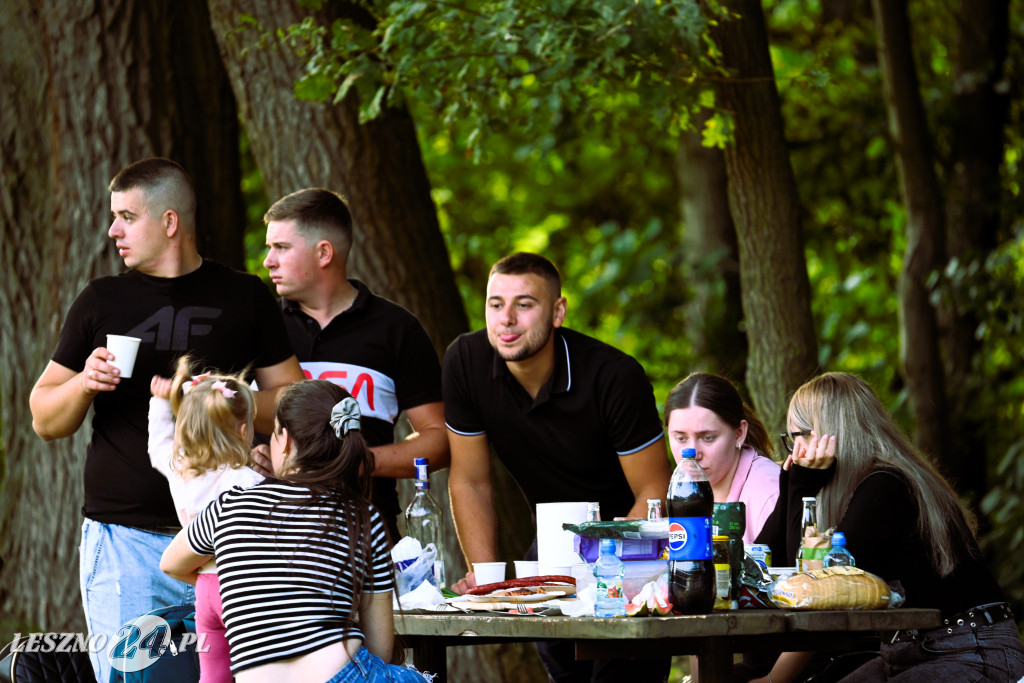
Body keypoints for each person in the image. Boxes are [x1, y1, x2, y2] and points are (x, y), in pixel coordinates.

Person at [28, 157, 304, 682]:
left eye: (127, 217)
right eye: (114, 217)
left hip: (234, 538)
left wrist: (225, 397)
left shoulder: (245, 296)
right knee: (131, 677)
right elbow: (44, 418)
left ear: (170, 222)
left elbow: (292, 397)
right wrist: (84, 383)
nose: (113, 230)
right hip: (125, 540)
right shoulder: (101, 300)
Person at [443, 252, 673, 683]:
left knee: (620, 674)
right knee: (565, 670)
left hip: (633, 542)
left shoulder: (614, 376)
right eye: (496, 304)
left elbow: (655, 491)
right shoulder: (466, 361)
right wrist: (488, 578)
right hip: (553, 540)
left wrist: (607, 571)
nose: (506, 319)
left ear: (558, 312)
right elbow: (470, 481)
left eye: (524, 304)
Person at [750, 372, 1024, 683]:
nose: (794, 452)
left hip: (971, 650)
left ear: (829, 435)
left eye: (797, 437)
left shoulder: (888, 485)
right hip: (909, 651)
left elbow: (812, 588)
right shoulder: (859, 487)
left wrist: (802, 486)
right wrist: (791, 489)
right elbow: (769, 565)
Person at [160, 380, 431, 683]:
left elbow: (170, 563)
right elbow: (379, 648)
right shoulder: (363, 517)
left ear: (285, 440)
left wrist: (242, 575)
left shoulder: (229, 506)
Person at [261, 188, 447, 541]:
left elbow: (438, 441)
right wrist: (244, 455)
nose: (269, 260)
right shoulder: (259, 325)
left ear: (324, 253)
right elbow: (214, 413)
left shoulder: (396, 328)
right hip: (271, 531)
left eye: (281, 248)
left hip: (367, 531)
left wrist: (360, 463)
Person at [148, 356, 265, 683]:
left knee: (213, 674)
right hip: (240, 588)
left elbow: (158, 446)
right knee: (253, 671)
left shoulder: (179, 471)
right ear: (243, 431)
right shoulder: (246, 481)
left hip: (205, 587)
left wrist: (159, 405)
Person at [664, 372, 780, 543]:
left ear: (739, 434)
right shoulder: (684, 491)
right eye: (681, 438)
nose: (693, 453)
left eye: (707, 437)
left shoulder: (769, 493)